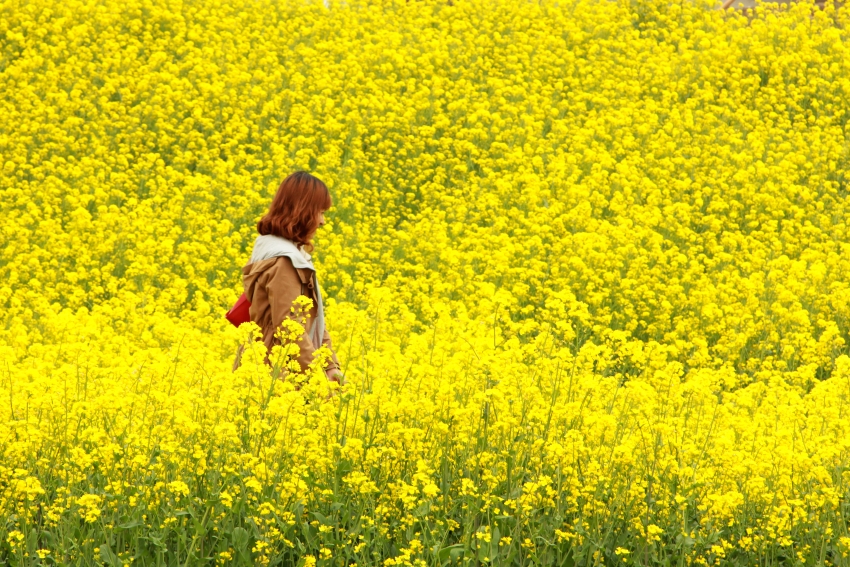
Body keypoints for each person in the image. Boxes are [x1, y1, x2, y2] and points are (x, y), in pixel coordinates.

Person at [232, 171, 343, 385]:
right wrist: (319, 381)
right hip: (276, 374)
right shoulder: (284, 262)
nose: (322, 221)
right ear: (303, 211)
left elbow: (311, 320)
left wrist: (330, 366)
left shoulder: (275, 251)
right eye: (320, 212)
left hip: (270, 365)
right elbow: (290, 329)